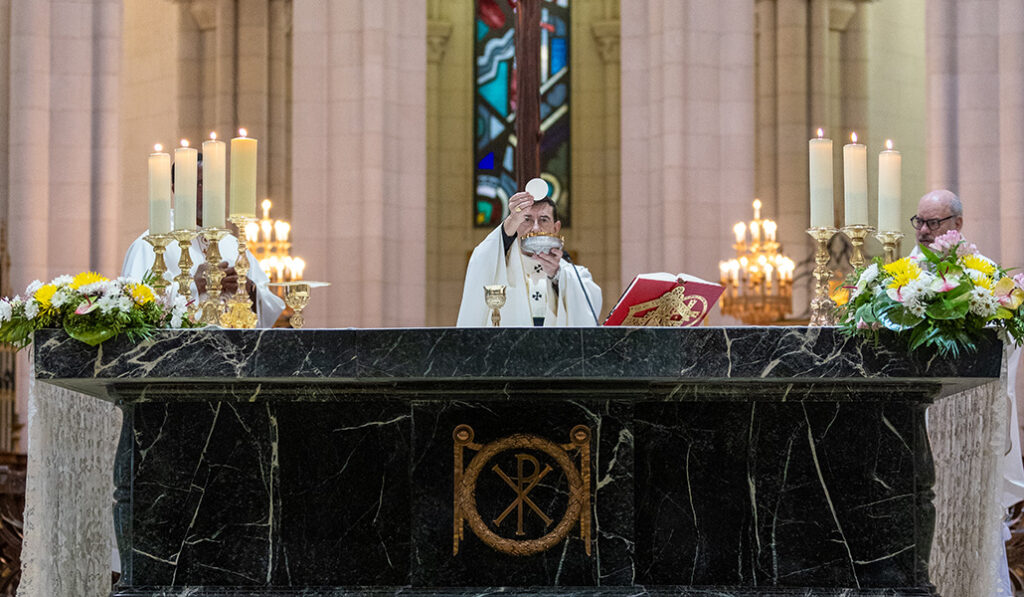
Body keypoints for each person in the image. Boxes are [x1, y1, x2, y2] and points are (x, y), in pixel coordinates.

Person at [911, 189, 1023, 595]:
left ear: (958, 224)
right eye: (919, 222)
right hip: (924, 421)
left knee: (971, 514)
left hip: (970, 424)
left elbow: (1009, 341)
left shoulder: (984, 275)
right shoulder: (900, 279)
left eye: (934, 222)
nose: (924, 231)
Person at [120, 154, 285, 328]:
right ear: (176, 189)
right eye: (200, 183)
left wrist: (247, 289)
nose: (209, 191)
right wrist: (195, 286)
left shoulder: (232, 244)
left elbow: (269, 308)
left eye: (214, 184)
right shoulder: (152, 244)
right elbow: (132, 312)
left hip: (233, 351)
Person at [457, 191, 601, 326]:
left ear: (556, 228)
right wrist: (511, 221)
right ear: (516, 225)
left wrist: (557, 276)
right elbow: (480, 261)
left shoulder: (574, 275)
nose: (535, 228)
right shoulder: (498, 266)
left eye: (544, 219)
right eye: (527, 220)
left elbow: (590, 305)